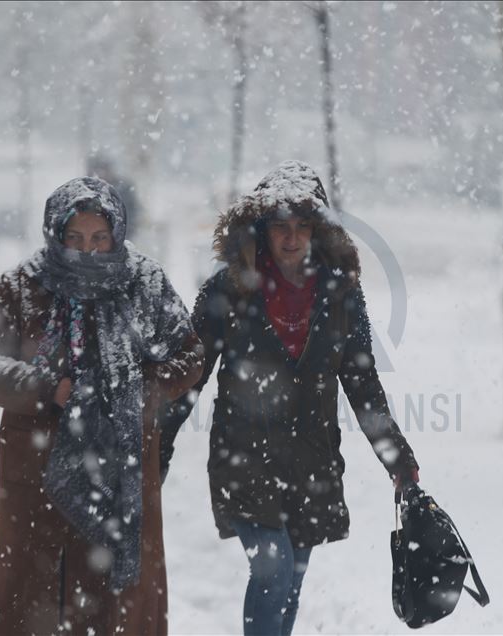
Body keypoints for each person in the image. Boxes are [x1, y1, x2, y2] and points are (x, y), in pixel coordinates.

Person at [159, 160, 420, 636]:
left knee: (291, 580)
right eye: (281, 226)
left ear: (319, 233)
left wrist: (399, 461)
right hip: (243, 457)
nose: (292, 239)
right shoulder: (227, 290)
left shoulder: (342, 295)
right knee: (272, 569)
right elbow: (188, 377)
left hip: (311, 459)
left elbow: (363, 386)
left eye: (303, 227)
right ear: (261, 229)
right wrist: (157, 446)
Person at [0, 176, 202, 635]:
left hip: (121, 470)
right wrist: (42, 388)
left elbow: (189, 353)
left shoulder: (145, 282)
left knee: (113, 599)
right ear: (55, 234)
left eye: (99, 237)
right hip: (38, 471)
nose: (87, 250)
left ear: (116, 233)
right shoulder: (25, 284)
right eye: (74, 238)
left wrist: (142, 387)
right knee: (31, 596)